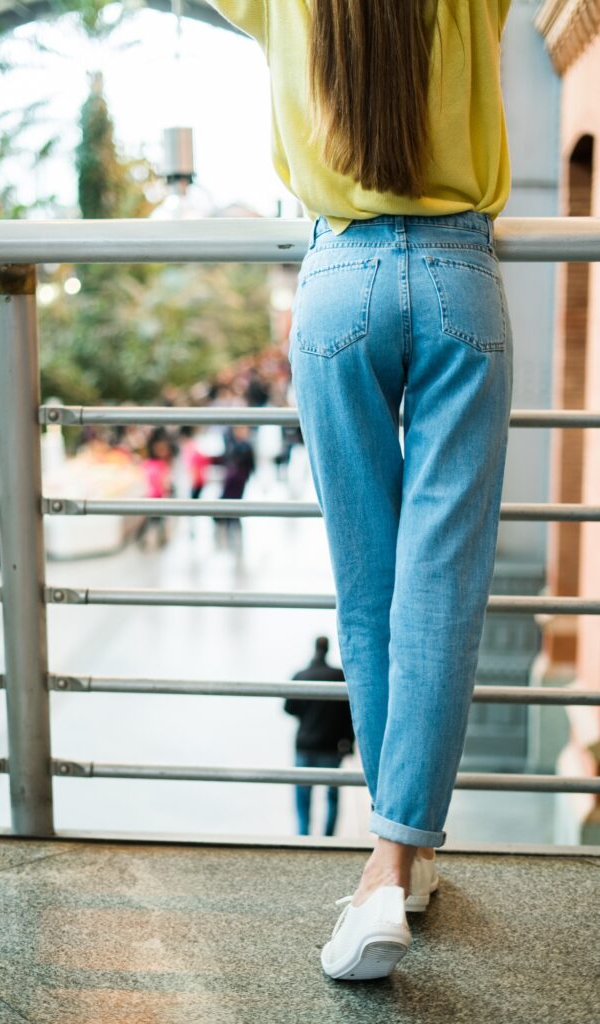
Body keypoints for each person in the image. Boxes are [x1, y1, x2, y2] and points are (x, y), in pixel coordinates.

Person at [207, 0, 514, 980]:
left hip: (338, 278)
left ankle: (393, 866)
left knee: (370, 590)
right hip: (461, 273)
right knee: (438, 588)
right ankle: (395, 860)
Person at [284, 636, 355, 837]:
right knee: (332, 796)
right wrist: (349, 743)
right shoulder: (339, 676)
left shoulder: (300, 675)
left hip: (305, 744)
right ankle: (328, 837)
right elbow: (350, 715)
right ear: (328, 649)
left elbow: (289, 708)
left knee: (303, 797)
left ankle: (303, 836)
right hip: (332, 746)